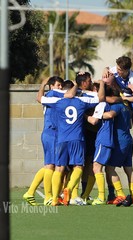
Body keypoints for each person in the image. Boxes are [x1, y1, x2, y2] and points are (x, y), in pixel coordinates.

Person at [40, 79, 105, 206]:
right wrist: (101, 83)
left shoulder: (58, 102)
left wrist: (43, 85)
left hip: (61, 139)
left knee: (59, 168)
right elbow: (100, 98)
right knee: (78, 167)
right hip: (77, 139)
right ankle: (68, 189)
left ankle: (54, 199)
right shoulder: (81, 102)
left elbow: (40, 99)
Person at [23, 76, 64, 206]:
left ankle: (30, 193)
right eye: (58, 85)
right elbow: (39, 98)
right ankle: (48, 197)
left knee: (49, 165)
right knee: (51, 166)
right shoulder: (52, 94)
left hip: (54, 134)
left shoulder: (53, 95)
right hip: (51, 133)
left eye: (61, 85)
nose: (60, 88)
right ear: (51, 86)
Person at [102, 56, 133, 144]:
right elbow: (106, 72)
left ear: (126, 70)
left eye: (119, 69)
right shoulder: (114, 70)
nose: (117, 70)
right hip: (118, 97)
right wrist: (105, 69)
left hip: (130, 100)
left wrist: (125, 98)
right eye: (117, 68)